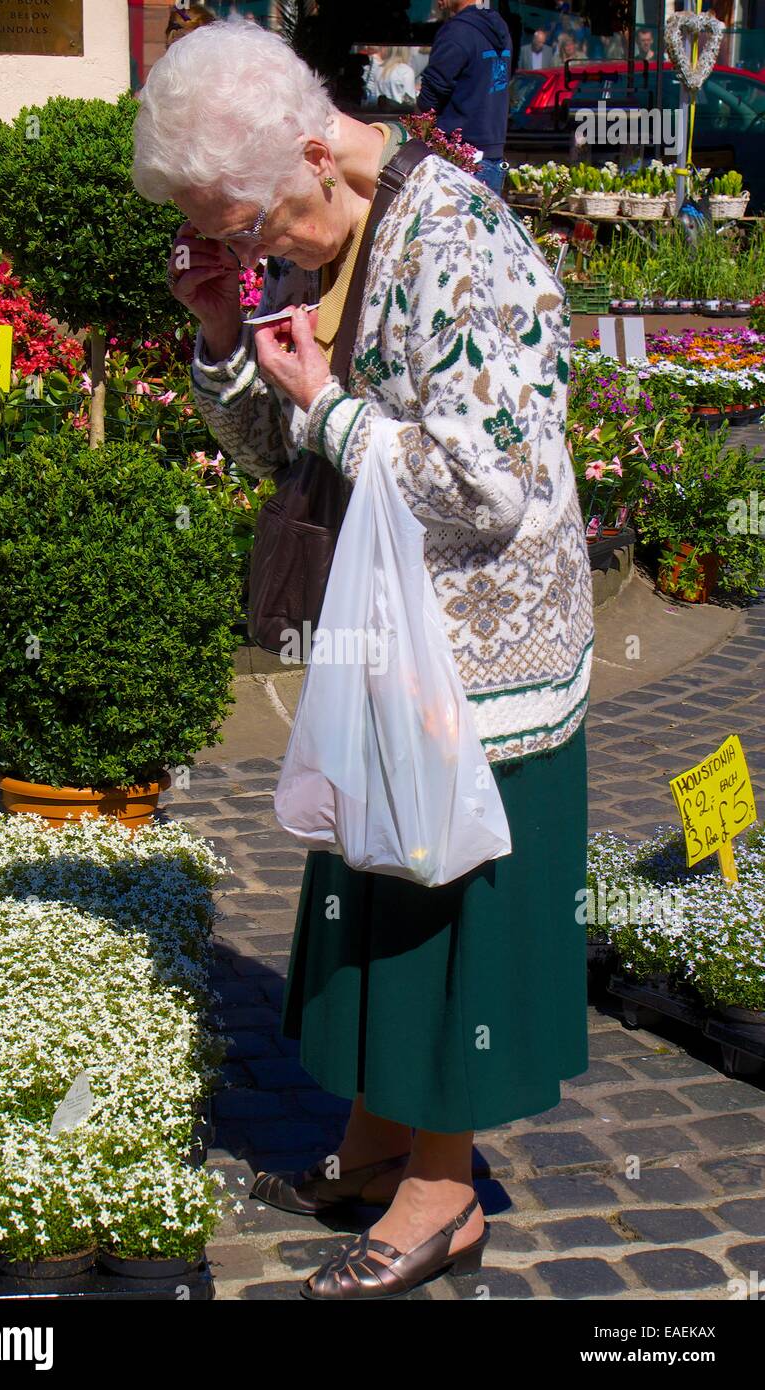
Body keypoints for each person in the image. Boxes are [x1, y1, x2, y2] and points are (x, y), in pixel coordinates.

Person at [133, 13, 593, 1302]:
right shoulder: (336, 226)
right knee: (376, 880)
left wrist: (326, 406)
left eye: (244, 228)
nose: (246, 253)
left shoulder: (458, 238)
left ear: (309, 155)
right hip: (387, 639)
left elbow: (485, 484)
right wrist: (222, 336)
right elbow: (287, 453)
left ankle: (443, 1190)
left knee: (447, 904)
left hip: (480, 651)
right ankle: (384, 1136)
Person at [417, 0, 513, 194]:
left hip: (459, 160)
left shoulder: (457, 31)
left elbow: (430, 99)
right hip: (492, 155)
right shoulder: (499, 27)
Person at [375, 45, 419, 110]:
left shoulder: (379, 69)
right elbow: (409, 100)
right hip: (399, 112)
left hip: (379, 111)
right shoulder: (406, 70)